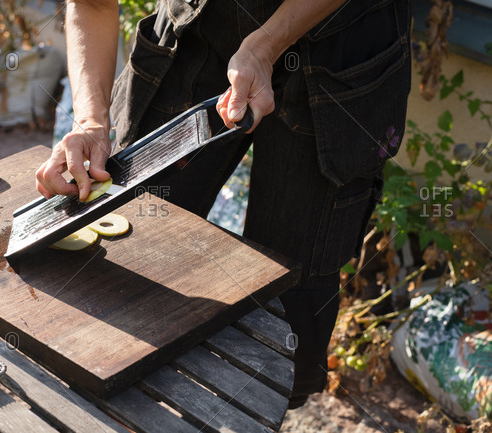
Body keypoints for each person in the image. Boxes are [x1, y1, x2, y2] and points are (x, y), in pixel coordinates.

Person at [36, 0, 412, 408]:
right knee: (121, 233)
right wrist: (90, 122)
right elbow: (93, 4)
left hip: (342, 49)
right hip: (202, 21)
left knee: (285, 309)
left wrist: (264, 47)